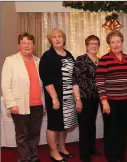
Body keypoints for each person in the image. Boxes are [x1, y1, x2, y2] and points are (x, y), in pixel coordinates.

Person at [1, 32, 44, 162]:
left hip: (38, 105)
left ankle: (33, 157)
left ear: (34, 46)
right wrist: (11, 104)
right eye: (23, 43)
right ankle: (25, 159)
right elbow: (5, 84)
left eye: (29, 43)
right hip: (19, 106)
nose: (26, 45)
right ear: (18, 45)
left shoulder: (39, 61)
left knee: (34, 135)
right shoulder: (11, 60)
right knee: (22, 135)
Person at [39, 28, 77, 162]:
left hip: (68, 96)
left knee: (64, 123)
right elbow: (46, 79)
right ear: (50, 40)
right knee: (54, 124)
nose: (57, 39)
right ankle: (53, 151)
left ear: (64, 39)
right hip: (55, 96)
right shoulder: (48, 56)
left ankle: (62, 147)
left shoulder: (68, 54)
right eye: (54, 37)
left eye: (60, 36)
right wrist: (54, 98)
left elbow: (74, 76)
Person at [96, 30, 127, 162]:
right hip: (110, 102)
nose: (116, 44)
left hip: (126, 101)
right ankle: (111, 156)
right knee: (111, 130)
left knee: (123, 129)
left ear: (122, 42)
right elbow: (99, 82)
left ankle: (120, 154)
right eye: (113, 42)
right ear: (109, 44)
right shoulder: (104, 59)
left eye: (118, 41)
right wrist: (104, 102)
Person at [72, 35, 102, 162]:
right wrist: (77, 100)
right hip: (83, 98)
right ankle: (84, 155)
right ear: (86, 45)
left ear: (99, 45)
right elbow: (74, 81)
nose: (93, 46)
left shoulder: (99, 61)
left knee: (91, 124)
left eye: (96, 43)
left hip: (95, 99)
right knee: (84, 127)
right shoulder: (81, 60)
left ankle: (91, 148)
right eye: (91, 43)